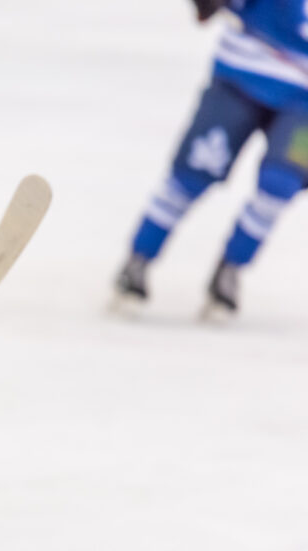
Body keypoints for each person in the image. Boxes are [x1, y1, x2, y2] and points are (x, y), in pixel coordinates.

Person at [115, 0, 308, 315]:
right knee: (194, 172)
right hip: (243, 73)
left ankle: (231, 268)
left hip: (303, 104)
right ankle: (139, 257)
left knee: (280, 183)